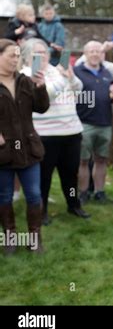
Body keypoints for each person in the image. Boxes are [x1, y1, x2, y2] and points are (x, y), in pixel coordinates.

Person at [20, 38, 90, 225]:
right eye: (37, 53)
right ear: (27, 56)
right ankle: (42, 212)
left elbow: (79, 89)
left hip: (71, 131)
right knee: (44, 176)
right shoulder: (25, 74)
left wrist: (71, 76)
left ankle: (73, 205)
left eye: (44, 52)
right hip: (45, 134)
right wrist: (63, 77)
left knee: (70, 173)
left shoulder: (56, 70)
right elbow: (48, 93)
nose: (42, 56)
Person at [0, 39, 49, 254]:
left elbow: (42, 107)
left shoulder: (24, 81)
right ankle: (10, 237)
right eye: (11, 55)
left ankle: (34, 238)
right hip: (3, 152)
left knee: (34, 195)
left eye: (17, 55)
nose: (15, 59)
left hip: (29, 149)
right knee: (4, 196)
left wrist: (40, 86)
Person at [73, 41, 113, 205]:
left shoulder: (107, 73)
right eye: (91, 51)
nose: (95, 54)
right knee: (83, 161)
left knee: (101, 160)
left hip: (105, 123)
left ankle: (99, 192)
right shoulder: (77, 71)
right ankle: (83, 193)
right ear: (85, 53)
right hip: (84, 123)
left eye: (98, 51)